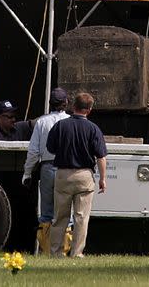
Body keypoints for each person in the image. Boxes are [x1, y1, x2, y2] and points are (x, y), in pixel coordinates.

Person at [46, 92, 107, 257]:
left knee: (60, 217)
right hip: (84, 176)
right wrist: (102, 178)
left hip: (63, 175)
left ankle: (55, 252)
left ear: (73, 106)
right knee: (81, 218)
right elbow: (101, 156)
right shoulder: (94, 129)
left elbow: (50, 148)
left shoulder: (60, 125)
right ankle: (77, 253)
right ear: (89, 110)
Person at [22, 87, 71, 255]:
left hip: (48, 167)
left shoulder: (41, 122)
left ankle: (47, 250)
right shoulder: (71, 121)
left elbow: (34, 151)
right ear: (66, 102)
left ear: (50, 103)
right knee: (65, 212)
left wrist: (27, 173)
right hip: (66, 168)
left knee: (47, 212)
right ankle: (63, 251)